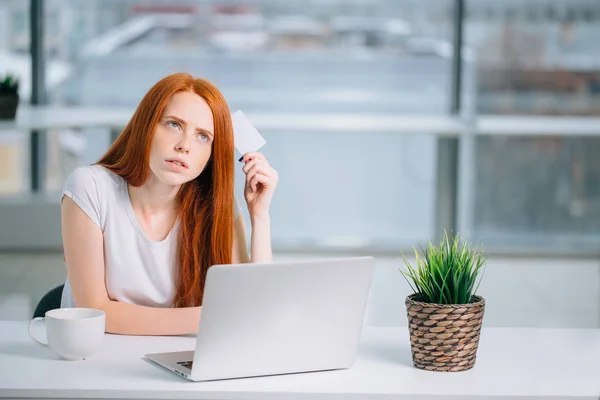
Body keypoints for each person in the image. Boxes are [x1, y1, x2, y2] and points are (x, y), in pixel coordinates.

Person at [60, 73, 278, 336]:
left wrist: (260, 215)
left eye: (203, 136)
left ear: (211, 155)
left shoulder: (216, 206)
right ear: (147, 125)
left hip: (175, 360)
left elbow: (254, 304)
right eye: (174, 124)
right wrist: (211, 316)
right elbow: (93, 309)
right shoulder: (90, 187)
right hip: (95, 360)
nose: (184, 146)